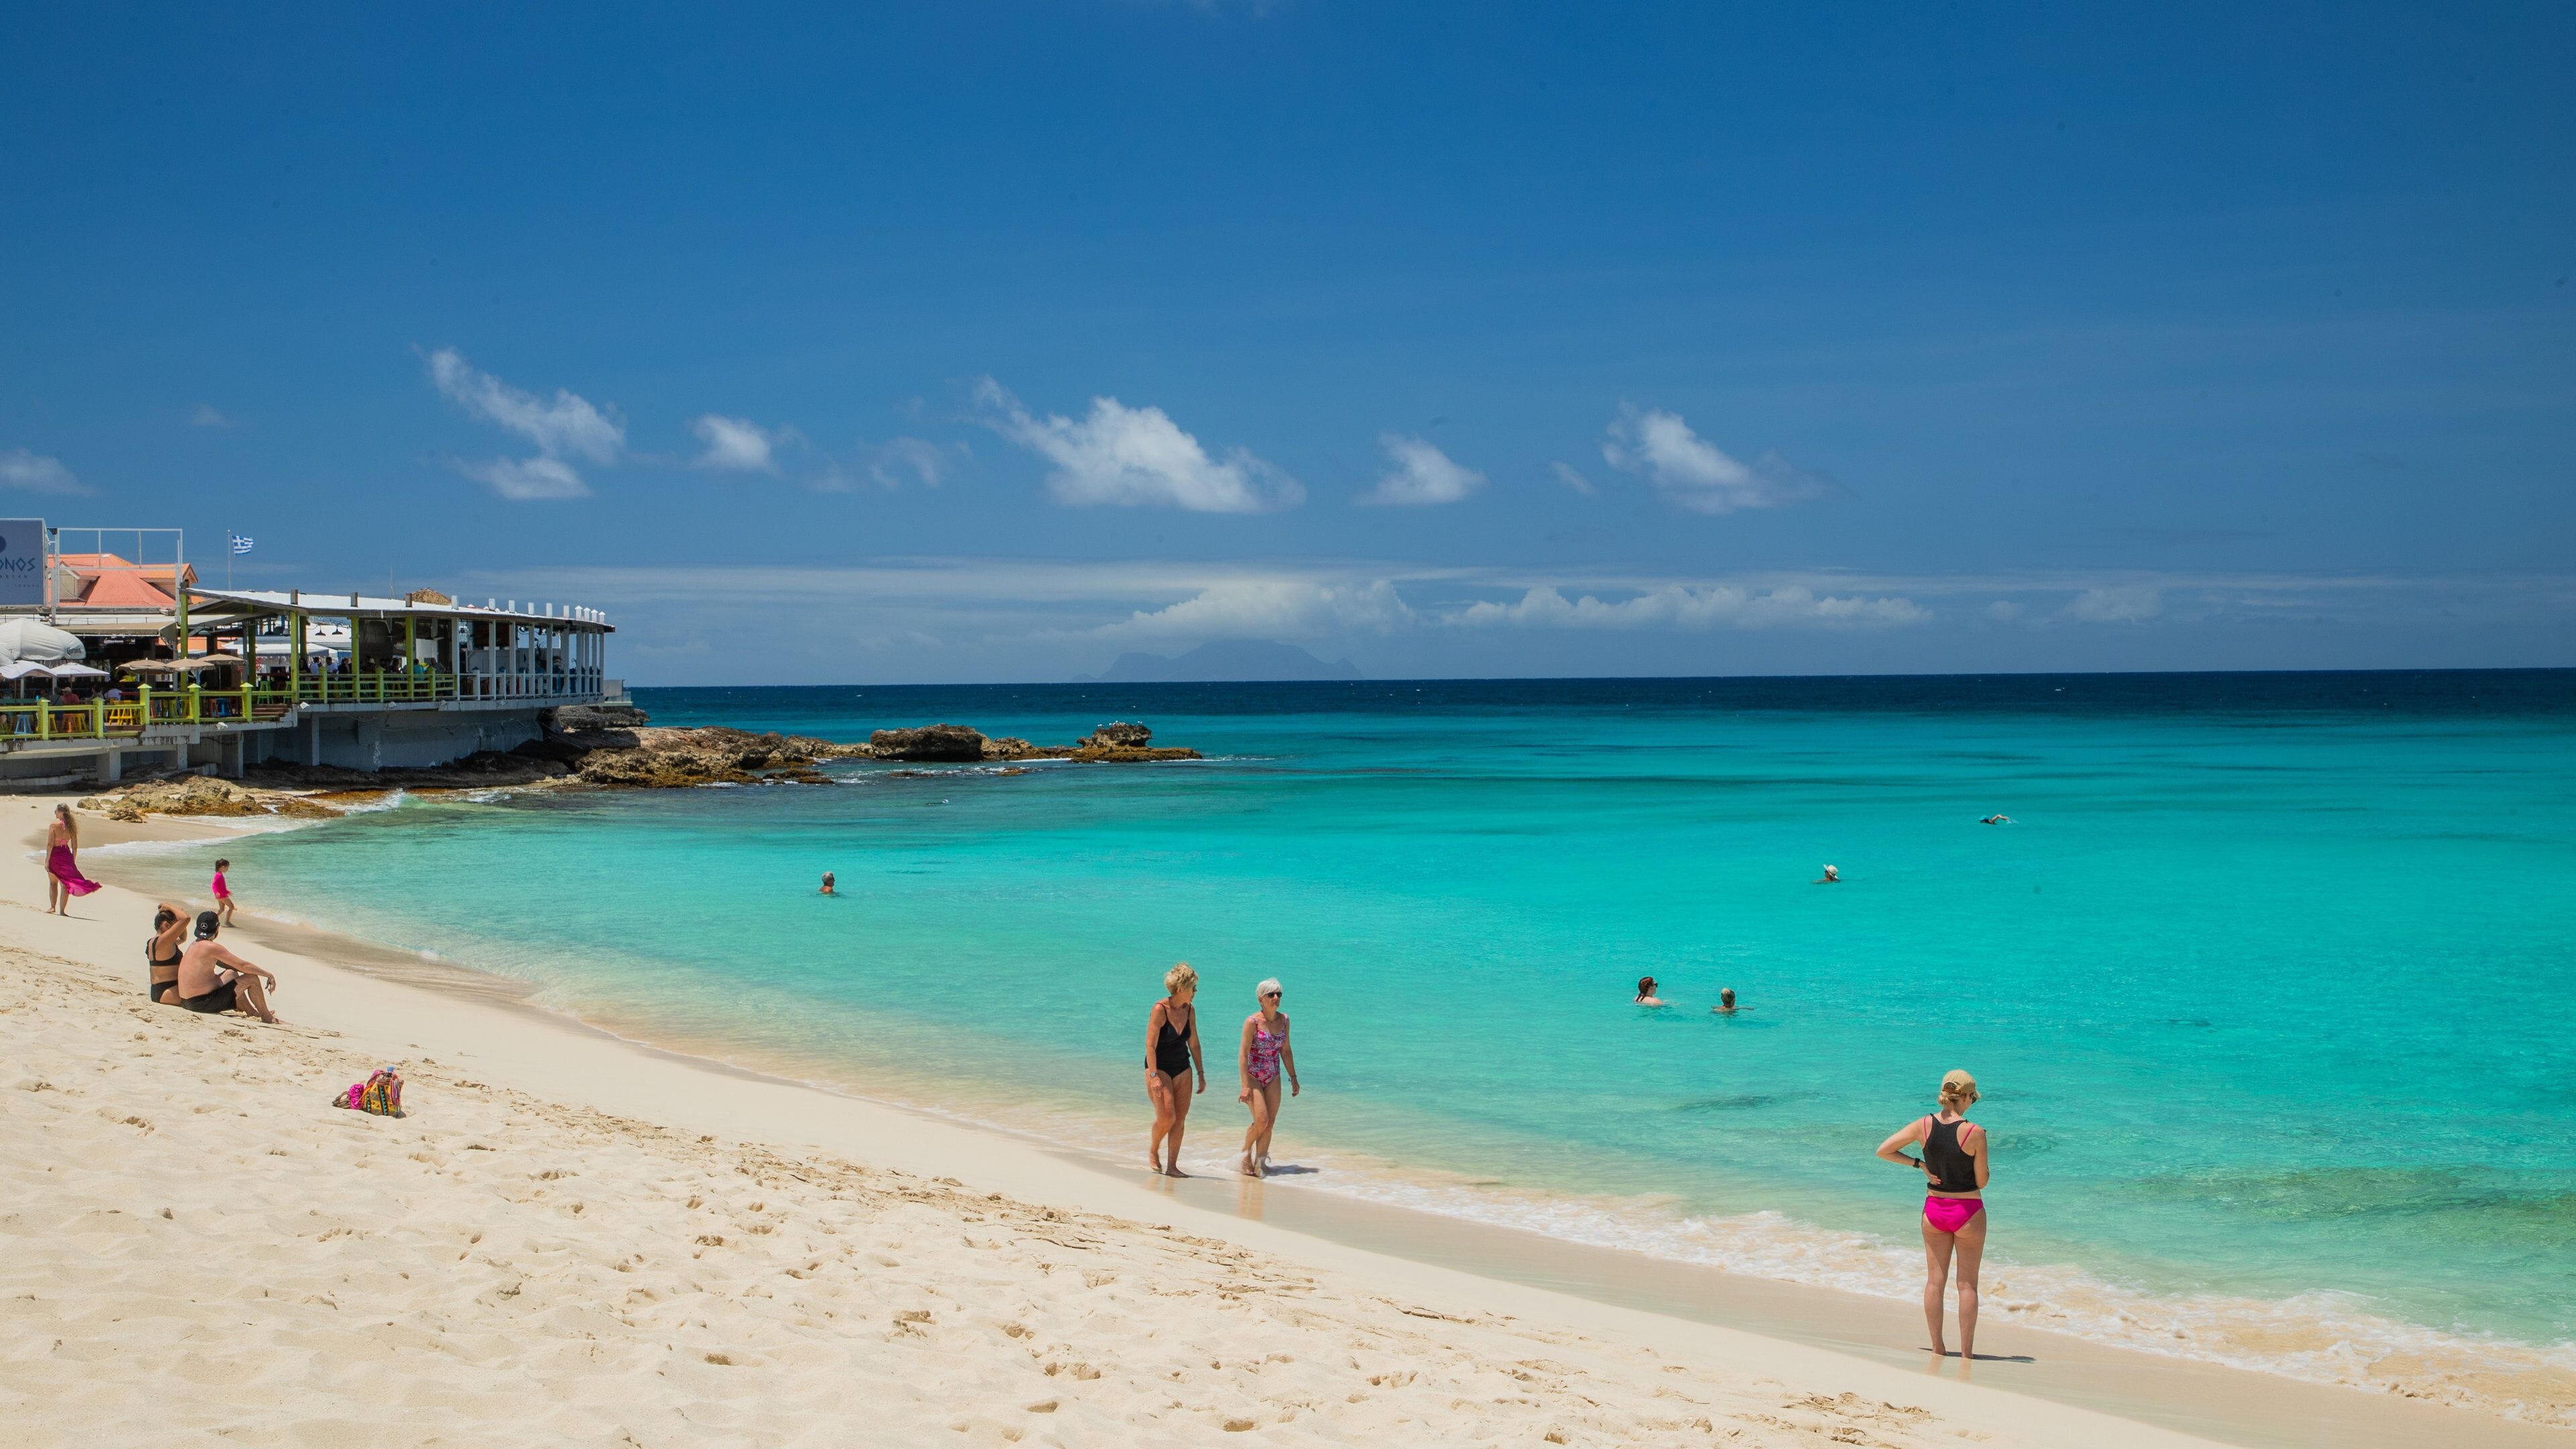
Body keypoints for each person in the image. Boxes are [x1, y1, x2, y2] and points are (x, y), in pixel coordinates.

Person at [1875, 1069, 1990, 1360]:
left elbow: (1884, 1151)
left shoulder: (1923, 1125)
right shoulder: (1975, 1132)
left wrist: (1920, 1165)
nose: (1971, 1104)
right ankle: (1966, 1353)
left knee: (1934, 1282)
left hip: (1934, 1211)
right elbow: (1981, 1181)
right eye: (1972, 1099)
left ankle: (1938, 1348)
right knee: (1967, 1285)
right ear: (1964, 1097)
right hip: (1967, 1211)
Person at [1144, 963, 1207, 1177]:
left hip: (1182, 1067)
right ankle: (1153, 1150)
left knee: (1180, 1119)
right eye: (1193, 988)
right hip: (1159, 1066)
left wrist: (1201, 1074)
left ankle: (1172, 1166)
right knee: (1167, 1118)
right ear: (1182, 989)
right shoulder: (1160, 1009)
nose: (1196, 992)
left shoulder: (1189, 1010)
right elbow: (1150, 1045)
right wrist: (1153, 1075)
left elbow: (1194, 1043)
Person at [1237, 978, 1297, 1177]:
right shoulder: (1252, 1022)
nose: (1276, 998)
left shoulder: (1285, 1020)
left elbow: (1286, 1051)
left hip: (1273, 1075)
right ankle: (1245, 1153)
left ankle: (1260, 1164)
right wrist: (1245, 1086)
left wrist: (1293, 1077)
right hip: (1253, 1075)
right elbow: (1243, 1054)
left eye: (1279, 994)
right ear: (1261, 998)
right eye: (1271, 995)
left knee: (1270, 1123)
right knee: (1261, 1121)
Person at [172, 911, 280, 1023]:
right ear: (217, 928)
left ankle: (251, 1012)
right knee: (252, 979)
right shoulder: (211, 947)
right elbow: (243, 966)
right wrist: (268, 975)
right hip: (201, 1004)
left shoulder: (195, 944)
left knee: (231, 973)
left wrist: (241, 970)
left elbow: (230, 966)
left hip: (186, 1002)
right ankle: (268, 1018)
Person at [44, 804, 99, 915]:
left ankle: (52, 907)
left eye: (56, 811)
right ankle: (62, 911)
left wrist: (47, 860)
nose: (55, 813)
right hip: (66, 856)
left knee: (53, 883)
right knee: (65, 885)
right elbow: (75, 847)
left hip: (55, 856)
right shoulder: (72, 827)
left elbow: (50, 844)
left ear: (61, 812)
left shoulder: (54, 825)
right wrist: (72, 861)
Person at [145, 900, 190, 1004]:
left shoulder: (155, 942)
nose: (177, 929)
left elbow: (183, 938)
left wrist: (178, 918)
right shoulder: (162, 942)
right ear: (166, 925)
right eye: (175, 926)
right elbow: (186, 918)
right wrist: (166, 905)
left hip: (162, 991)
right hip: (167, 991)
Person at [211, 857, 237, 925]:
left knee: (222, 910)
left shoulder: (219, 874)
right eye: (227, 868)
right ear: (223, 867)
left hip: (222, 895)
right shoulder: (219, 875)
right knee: (232, 907)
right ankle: (227, 922)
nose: (228, 869)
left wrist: (227, 892)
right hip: (222, 896)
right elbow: (214, 884)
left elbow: (221, 887)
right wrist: (216, 892)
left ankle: (211, 920)